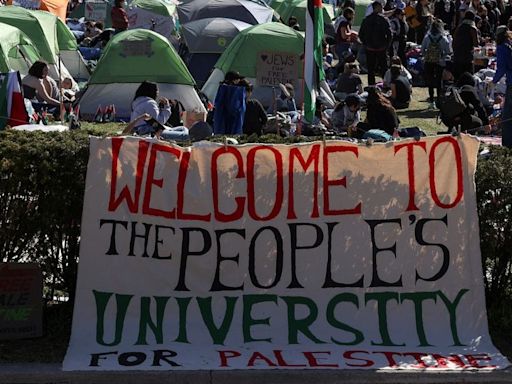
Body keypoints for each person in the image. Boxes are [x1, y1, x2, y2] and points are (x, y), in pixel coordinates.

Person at [359, 1, 393, 85]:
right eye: (381, 7)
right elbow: (390, 34)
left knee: (371, 69)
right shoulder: (383, 19)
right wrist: (387, 45)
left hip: (369, 48)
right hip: (381, 48)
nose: (382, 9)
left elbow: (361, 34)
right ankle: (386, 85)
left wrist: (365, 44)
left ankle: (371, 86)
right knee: (383, 68)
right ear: (377, 8)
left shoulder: (366, 20)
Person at [421, 19, 452, 108]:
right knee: (439, 81)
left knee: (430, 81)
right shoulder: (443, 38)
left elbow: (422, 49)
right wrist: (441, 56)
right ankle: (439, 100)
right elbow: (448, 51)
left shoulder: (427, 37)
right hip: (439, 62)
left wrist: (427, 55)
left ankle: (431, 101)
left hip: (429, 62)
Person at [491, 28, 512, 147]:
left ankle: (507, 144)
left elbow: (501, 68)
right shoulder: (510, 45)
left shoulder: (502, 48)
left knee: (507, 115)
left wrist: (494, 81)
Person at [452, 10, 479, 79]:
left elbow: (454, 39)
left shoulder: (459, 27)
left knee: (458, 77)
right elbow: (476, 44)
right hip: (467, 57)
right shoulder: (472, 28)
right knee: (468, 77)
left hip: (457, 56)